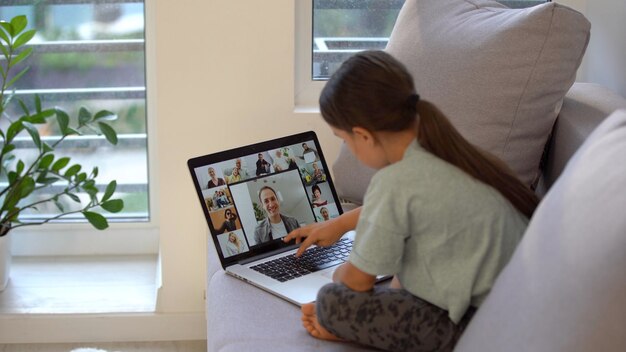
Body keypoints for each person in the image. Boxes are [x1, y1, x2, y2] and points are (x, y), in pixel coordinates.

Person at [283, 50, 539, 352]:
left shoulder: (393, 182)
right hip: (520, 309)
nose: (348, 148)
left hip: (479, 328)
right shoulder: (448, 153)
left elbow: (356, 283)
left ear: (363, 135)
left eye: (344, 138)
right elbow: (404, 208)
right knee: (403, 266)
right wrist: (339, 224)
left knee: (331, 301)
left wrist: (337, 277)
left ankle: (339, 325)